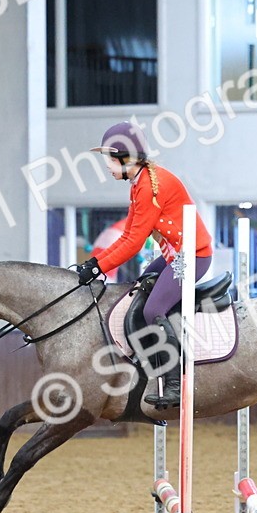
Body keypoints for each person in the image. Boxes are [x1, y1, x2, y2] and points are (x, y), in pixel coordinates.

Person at [75, 121, 214, 409]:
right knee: (139, 286)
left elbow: (133, 243)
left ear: (128, 159)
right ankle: (148, 357)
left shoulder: (153, 187)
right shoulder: (139, 183)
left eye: (111, 160)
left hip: (193, 255)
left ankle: (175, 382)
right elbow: (127, 235)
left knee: (153, 309)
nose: (108, 166)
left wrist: (97, 267)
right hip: (174, 253)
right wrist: (94, 262)